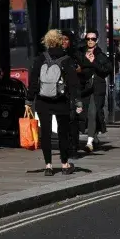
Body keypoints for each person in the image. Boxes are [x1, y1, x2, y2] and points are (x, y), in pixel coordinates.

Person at [26, 29, 81, 175]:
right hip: (61, 101)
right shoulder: (66, 59)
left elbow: (33, 81)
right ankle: (64, 165)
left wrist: (29, 99)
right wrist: (77, 102)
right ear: (59, 41)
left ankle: (48, 166)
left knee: (45, 133)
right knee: (63, 133)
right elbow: (73, 83)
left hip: (43, 102)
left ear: (47, 41)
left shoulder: (40, 58)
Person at [76, 30, 110, 153]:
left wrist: (93, 62)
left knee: (93, 112)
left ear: (97, 40)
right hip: (84, 87)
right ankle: (94, 136)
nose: (90, 41)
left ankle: (89, 142)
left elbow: (106, 70)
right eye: (88, 38)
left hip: (97, 88)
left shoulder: (101, 55)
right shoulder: (80, 53)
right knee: (85, 113)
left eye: (93, 39)